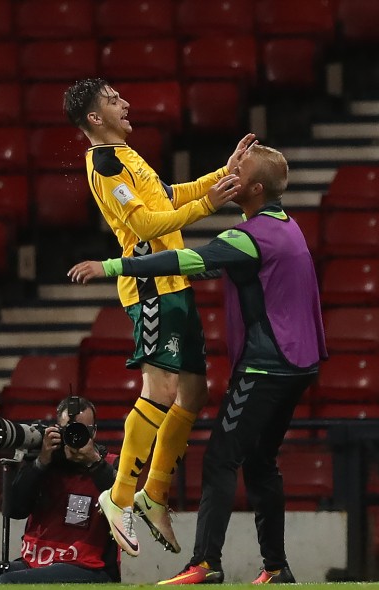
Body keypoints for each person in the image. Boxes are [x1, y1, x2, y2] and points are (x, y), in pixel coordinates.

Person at [68, 143, 328, 584]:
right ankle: (276, 567)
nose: (231, 173)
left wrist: (112, 266)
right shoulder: (287, 227)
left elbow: (186, 260)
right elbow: (208, 266)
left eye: (239, 171)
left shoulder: (249, 237)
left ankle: (205, 563)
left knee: (220, 461)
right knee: (261, 462)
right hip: (300, 364)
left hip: (266, 366)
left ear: (255, 188)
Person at [63, 78, 250, 557]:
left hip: (174, 285)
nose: (125, 102)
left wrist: (219, 177)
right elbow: (144, 224)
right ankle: (119, 496)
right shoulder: (104, 163)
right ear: (94, 119)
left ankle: (154, 493)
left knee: (194, 391)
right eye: (112, 99)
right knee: (161, 390)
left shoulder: (125, 154)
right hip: (150, 289)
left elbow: (168, 196)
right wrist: (210, 205)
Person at [0, 397, 121, 584]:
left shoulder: (110, 463)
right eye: (67, 431)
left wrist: (93, 461)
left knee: (7, 582)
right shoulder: (44, 460)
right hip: (36, 562)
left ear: (94, 432)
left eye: (82, 431)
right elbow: (14, 510)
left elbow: (124, 502)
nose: (74, 437)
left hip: (87, 566)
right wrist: (40, 464)